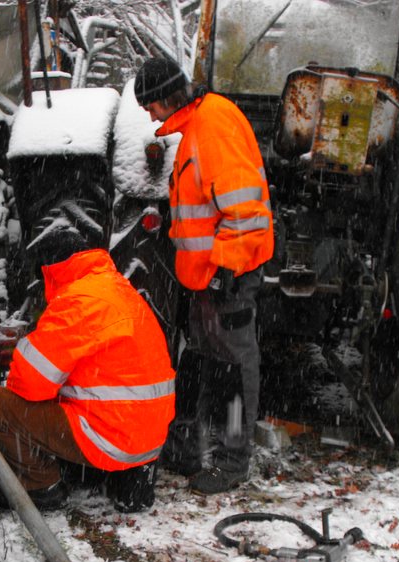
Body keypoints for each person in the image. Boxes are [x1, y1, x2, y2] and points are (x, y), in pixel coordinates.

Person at [133, 57, 274, 495]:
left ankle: (232, 462)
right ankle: (184, 451)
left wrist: (226, 269)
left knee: (234, 370)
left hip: (226, 275)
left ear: (166, 96)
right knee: (198, 363)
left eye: (150, 106)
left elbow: (245, 208)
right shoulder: (197, 125)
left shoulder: (213, 125)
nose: (150, 116)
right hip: (205, 277)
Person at [0, 226, 176, 512]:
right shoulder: (120, 289)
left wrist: (27, 344)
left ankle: (41, 486)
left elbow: (28, 385)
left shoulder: (75, 301)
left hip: (111, 438)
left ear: (51, 270)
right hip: (149, 438)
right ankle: (130, 477)